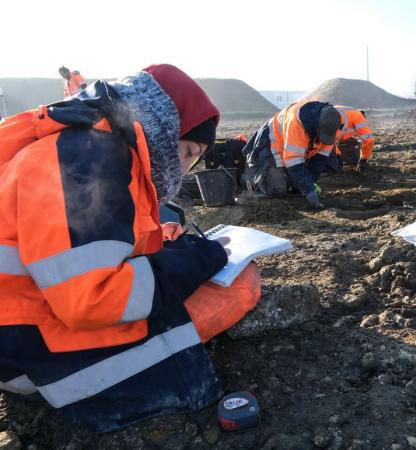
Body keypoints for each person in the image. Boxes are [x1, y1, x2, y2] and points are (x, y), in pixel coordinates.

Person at [0, 64, 261, 432]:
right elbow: (94, 297)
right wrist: (199, 258)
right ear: (164, 126)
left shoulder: (86, 144)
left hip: (23, 323)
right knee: (237, 286)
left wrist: (171, 247)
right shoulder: (89, 158)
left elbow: (80, 254)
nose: (184, 169)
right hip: (28, 348)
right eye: (187, 151)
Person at [242, 101, 342, 208]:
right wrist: (308, 190)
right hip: (269, 146)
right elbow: (293, 159)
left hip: (291, 153)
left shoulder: (331, 125)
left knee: (297, 186)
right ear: (316, 127)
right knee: (277, 190)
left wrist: (309, 183)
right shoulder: (297, 124)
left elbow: (319, 161)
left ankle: (289, 180)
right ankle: (251, 176)